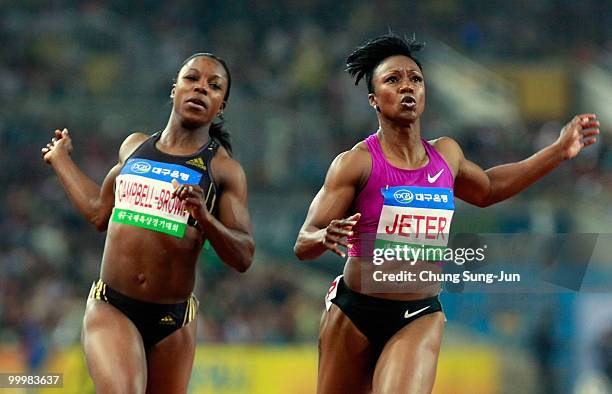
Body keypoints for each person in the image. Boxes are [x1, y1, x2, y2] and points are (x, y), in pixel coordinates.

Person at [294, 33, 599, 394]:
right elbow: (303, 243)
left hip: (418, 313)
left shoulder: (446, 155)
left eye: (415, 79)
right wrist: (323, 235)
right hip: (354, 310)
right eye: (393, 80)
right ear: (374, 99)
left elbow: (487, 189)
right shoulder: (355, 163)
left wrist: (558, 151)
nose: (407, 86)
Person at [41, 52, 255, 393]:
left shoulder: (224, 170)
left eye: (214, 86)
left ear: (221, 107)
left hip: (174, 321)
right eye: (192, 78)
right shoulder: (135, 148)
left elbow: (243, 255)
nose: (201, 88)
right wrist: (61, 160)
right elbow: (99, 212)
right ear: (174, 90)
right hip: (113, 305)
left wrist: (204, 217)